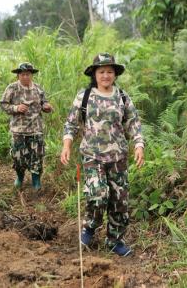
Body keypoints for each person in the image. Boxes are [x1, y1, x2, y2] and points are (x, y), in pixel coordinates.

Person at [60, 53, 145, 256]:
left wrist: (139, 145)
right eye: (101, 72)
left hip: (118, 158)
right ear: (94, 74)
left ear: (115, 74)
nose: (105, 75)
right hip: (92, 156)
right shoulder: (85, 96)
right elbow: (71, 124)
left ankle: (114, 240)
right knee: (98, 195)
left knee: (119, 201)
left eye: (109, 71)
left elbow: (133, 123)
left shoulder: (122, 97)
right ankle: (90, 226)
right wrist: (67, 146)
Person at [0, 62, 53, 190]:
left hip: (36, 129)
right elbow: (3, 104)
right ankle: (19, 177)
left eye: (28, 74)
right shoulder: (12, 88)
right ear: (18, 75)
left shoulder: (38, 88)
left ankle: (36, 181)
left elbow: (44, 103)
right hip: (18, 130)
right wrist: (16, 107)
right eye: (23, 74)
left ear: (31, 75)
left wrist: (47, 107)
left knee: (37, 156)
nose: (25, 77)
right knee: (18, 157)